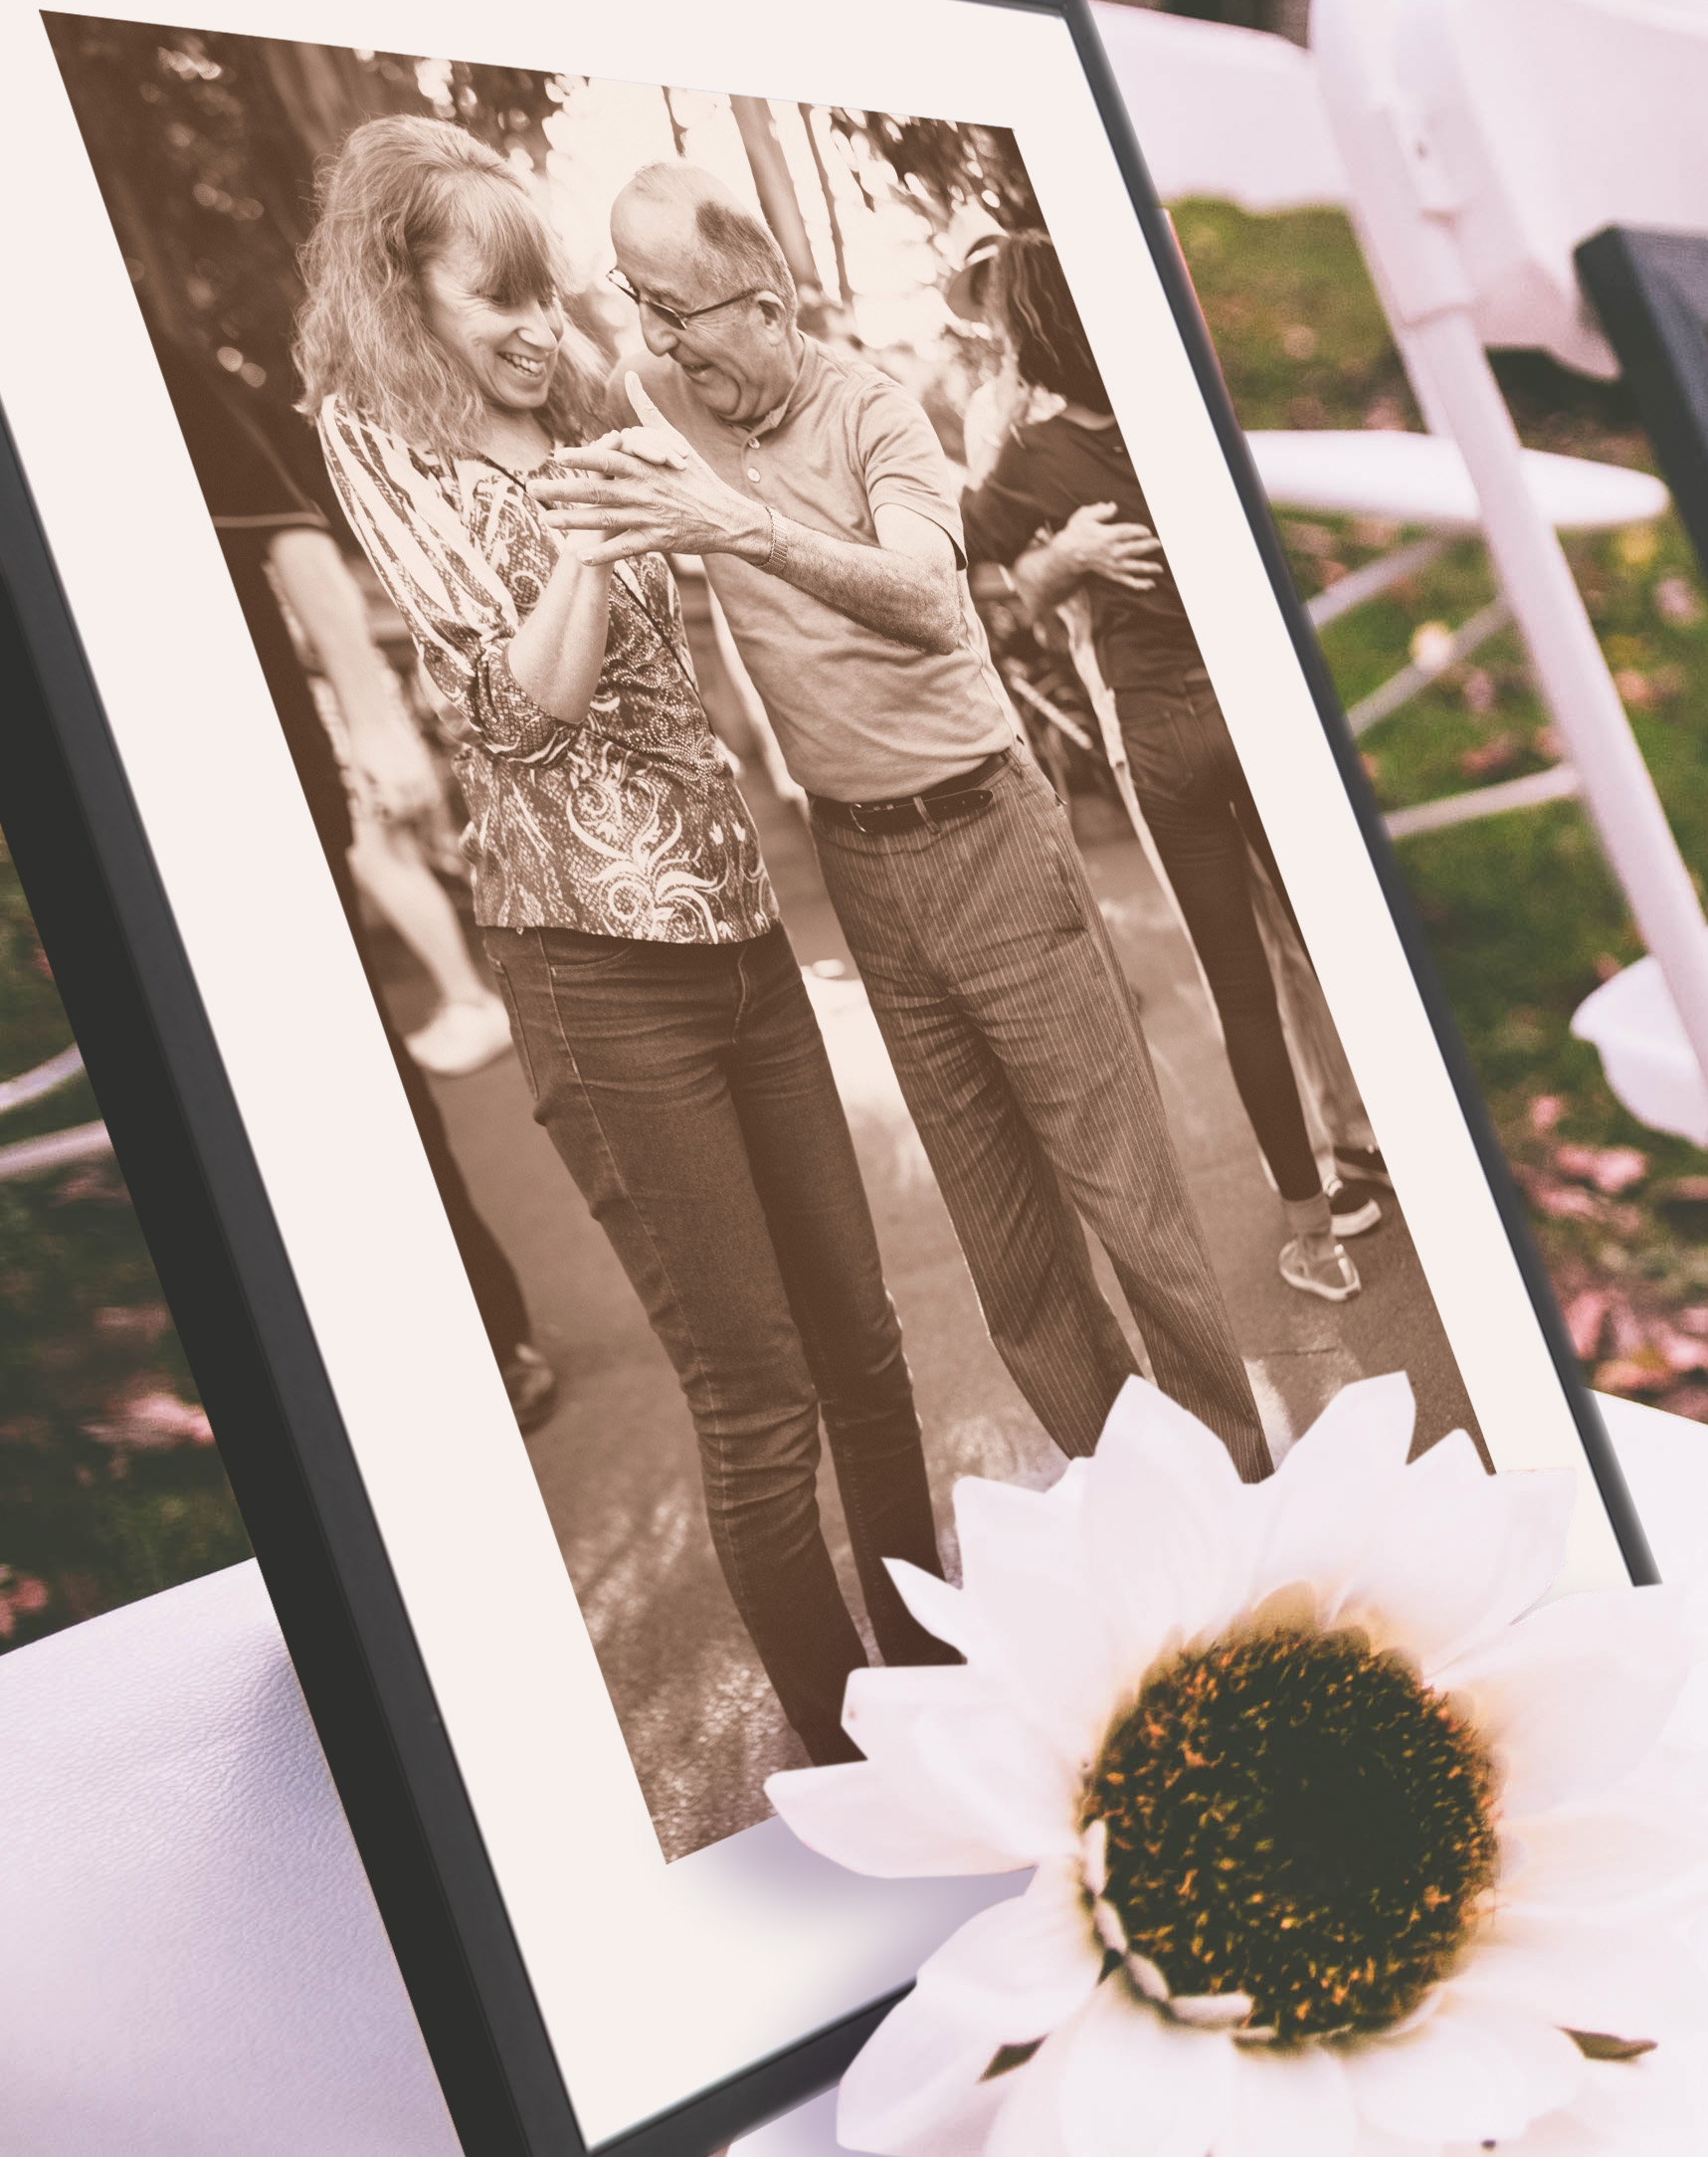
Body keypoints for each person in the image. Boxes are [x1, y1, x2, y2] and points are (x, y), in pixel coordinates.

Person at [295, 116, 947, 1766]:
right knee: (756, 1395)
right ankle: (850, 1755)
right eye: (490, 295)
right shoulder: (389, 448)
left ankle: (949, 1699)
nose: (532, 327)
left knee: (865, 1351)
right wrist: (585, 531)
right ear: (405, 297)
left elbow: (750, 522)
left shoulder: (596, 411)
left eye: (545, 293)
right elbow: (522, 709)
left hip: (734, 929)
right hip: (596, 974)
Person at [535, 164, 1267, 1477]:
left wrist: (738, 527)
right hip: (859, 861)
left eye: (682, 312)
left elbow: (936, 598)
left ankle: (1249, 1492)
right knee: (1010, 1253)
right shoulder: (658, 395)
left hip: (988, 830)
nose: (657, 343)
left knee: (1129, 1206)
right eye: (638, 306)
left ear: (766, 304)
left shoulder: (873, 411)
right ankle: (1132, 1500)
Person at [147, 331, 555, 1431]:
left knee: (343, 1065)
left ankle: (481, 1331)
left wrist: (378, 720)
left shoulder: (116, 331)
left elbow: (285, 530)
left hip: (240, 789)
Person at [961, 231, 1365, 1303]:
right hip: (1255, 710)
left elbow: (965, 584)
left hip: (1159, 728)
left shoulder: (1030, 461)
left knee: (1243, 990)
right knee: (1336, 945)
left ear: (1028, 335)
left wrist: (1056, 558)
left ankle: (1313, 1238)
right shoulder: (1179, 419)